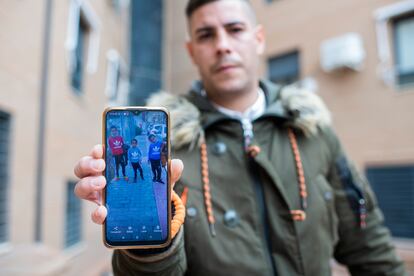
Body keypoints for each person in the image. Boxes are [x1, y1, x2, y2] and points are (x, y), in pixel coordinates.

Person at [74, 0, 406, 275]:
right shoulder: (169, 148)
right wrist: (146, 250)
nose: (222, 45)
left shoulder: (314, 131)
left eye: (235, 29)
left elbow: (370, 248)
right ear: (191, 51)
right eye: (206, 35)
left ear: (258, 38)